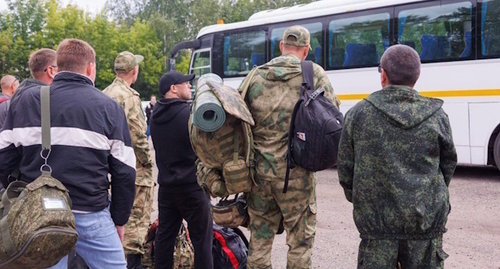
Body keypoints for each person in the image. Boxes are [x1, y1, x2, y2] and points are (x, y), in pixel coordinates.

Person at [0, 38, 136, 269]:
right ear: (90, 67)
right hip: (92, 212)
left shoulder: (25, 102)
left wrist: (21, 198)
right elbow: (125, 173)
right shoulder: (110, 108)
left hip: (40, 215)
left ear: (58, 67)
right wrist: (119, 220)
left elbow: (4, 159)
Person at [337, 44, 457, 269]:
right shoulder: (437, 116)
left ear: (383, 75)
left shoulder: (357, 115)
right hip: (425, 226)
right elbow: (447, 165)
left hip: (376, 230)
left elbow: (345, 171)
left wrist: (366, 202)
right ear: (418, 75)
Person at [238, 25, 340, 268]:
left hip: (260, 176)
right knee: (300, 241)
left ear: (282, 47)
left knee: (260, 240)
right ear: (305, 50)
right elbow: (333, 114)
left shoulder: (255, 75)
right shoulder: (313, 73)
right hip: (298, 174)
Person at [150, 71, 213, 269]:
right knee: (202, 241)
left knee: (165, 239)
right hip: (191, 187)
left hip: (167, 188)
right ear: (173, 88)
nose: (189, 86)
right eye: (185, 83)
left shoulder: (154, 116)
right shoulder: (189, 115)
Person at [103, 51, 154, 269]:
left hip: (108, 167)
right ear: (134, 71)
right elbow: (137, 136)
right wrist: (148, 162)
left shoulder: (104, 93)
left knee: (113, 219)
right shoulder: (130, 97)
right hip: (131, 167)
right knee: (135, 225)